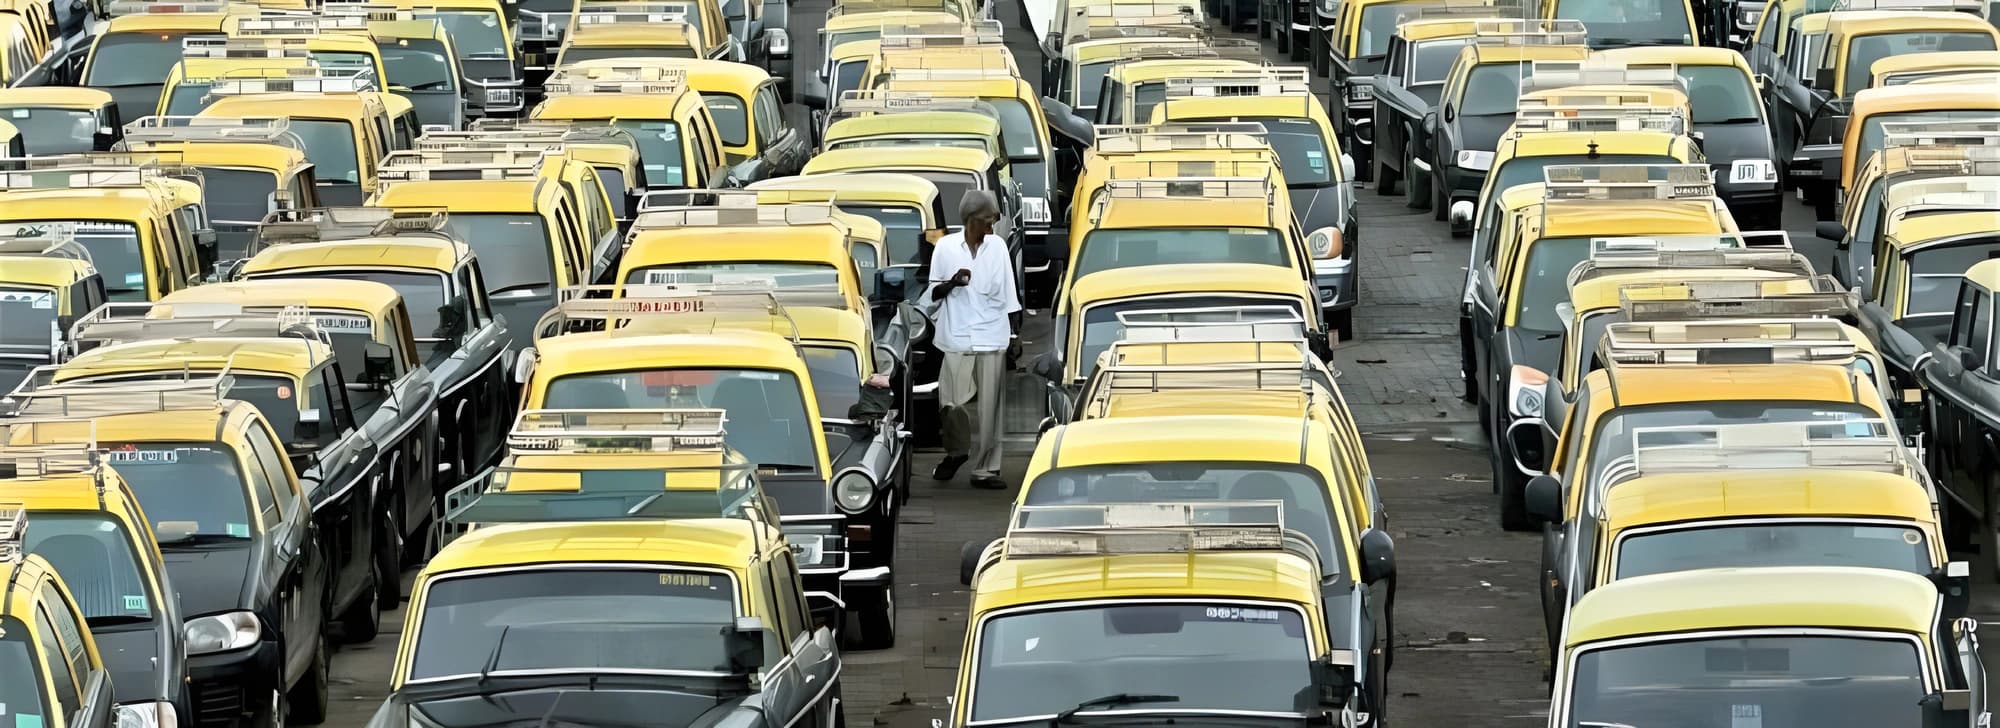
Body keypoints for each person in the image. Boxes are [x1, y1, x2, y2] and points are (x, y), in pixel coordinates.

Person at [926, 190, 1020, 489]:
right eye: (986, 221)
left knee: (991, 408)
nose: (991, 227)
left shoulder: (998, 247)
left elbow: (1009, 296)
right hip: (957, 335)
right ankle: (957, 452)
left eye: (993, 221)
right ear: (970, 221)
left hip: (992, 336)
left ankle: (986, 470)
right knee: (952, 403)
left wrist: (1014, 334)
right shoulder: (945, 247)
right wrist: (952, 282)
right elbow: (932, 295)